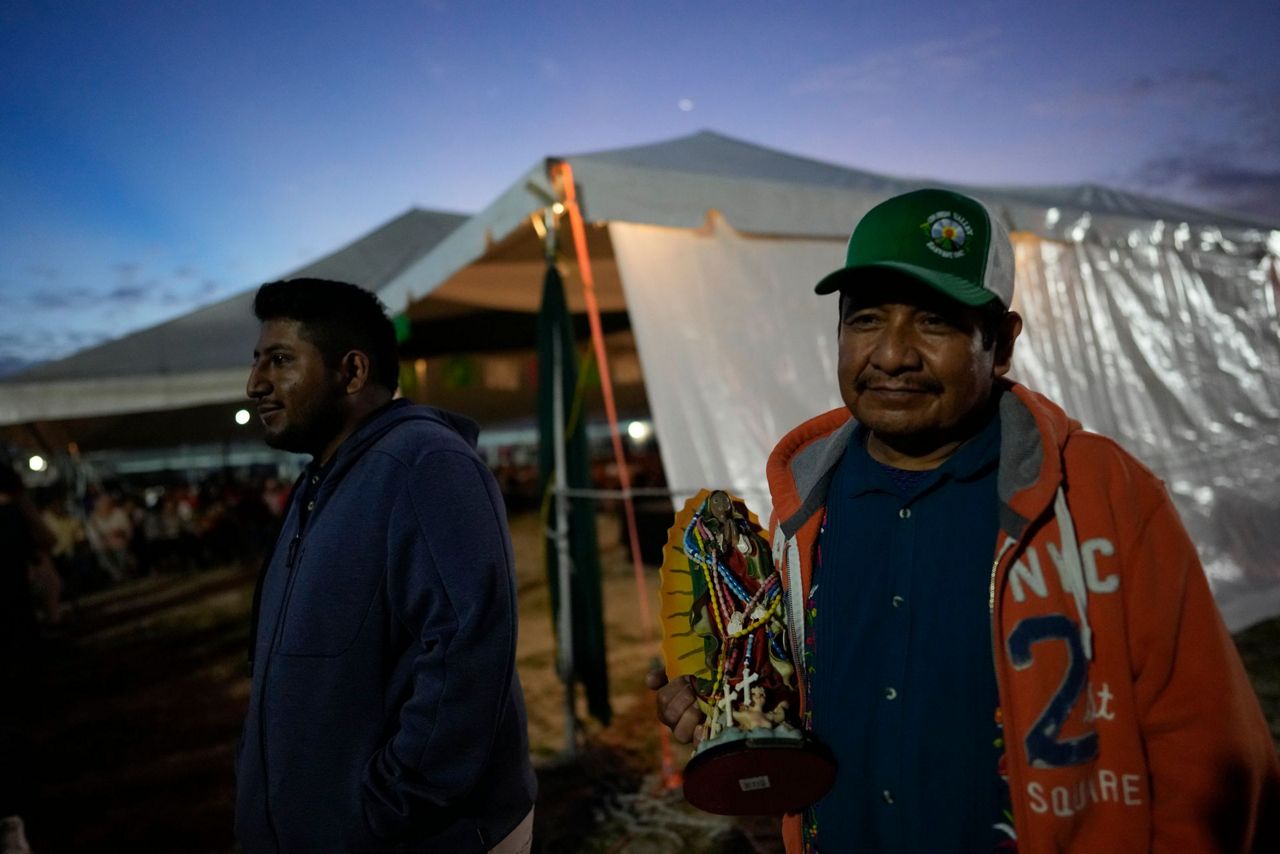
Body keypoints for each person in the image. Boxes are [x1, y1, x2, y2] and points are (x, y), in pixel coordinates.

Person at [648, 189, 1280, 852]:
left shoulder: (1100, 497)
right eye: (866, 320)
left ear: (1000, 343)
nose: (892, 354)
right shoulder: (800, 515)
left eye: (934, 322)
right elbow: (796, 715)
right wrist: (735, 726)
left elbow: (1208, 752)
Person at [235, 278, 535, 853]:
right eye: (257, 360)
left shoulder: (425, 464)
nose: (255, 384)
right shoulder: (319, 483)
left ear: (351, 371)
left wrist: (390, 804)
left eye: (280, 360)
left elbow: (469, 650)